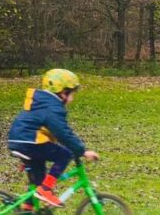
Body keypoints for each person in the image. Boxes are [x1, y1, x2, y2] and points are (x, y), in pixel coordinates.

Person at [7, 68, 99, 207]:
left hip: (20, 141)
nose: (72, 98)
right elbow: (62, 133)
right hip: (30, 142)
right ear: (63, 93)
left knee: (38, 180)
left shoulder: (42, 103)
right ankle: (46, 190)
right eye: (72, 94)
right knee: (64, 155)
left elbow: (44, 130)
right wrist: (82, 151)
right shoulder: (52, 107)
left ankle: (28, 212)